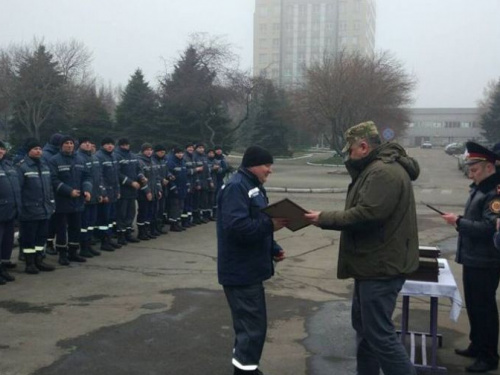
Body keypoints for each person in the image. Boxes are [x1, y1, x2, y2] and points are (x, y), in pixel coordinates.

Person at [304, 121, 419, 375]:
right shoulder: (378, 169)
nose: (349, 154)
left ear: (364, 146)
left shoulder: (382, 172)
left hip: (380, 267)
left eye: (351, 149)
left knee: (380, 336)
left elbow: (368, 214)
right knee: (367, 332)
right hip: (374, 265)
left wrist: (323, 217)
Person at [217, 145, 287, 375]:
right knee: (252, 328)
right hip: (240, 271)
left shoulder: (252, 186)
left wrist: (273, 248)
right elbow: (236, 227)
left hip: (250, 268)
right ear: (253, 165)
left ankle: (247, 368)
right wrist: (271, 225)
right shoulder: (237, 187)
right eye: (267, 165)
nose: (270, 170)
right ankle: (245, 371)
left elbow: (257, 220)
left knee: (251, 327)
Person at [442, 141, 500, 373]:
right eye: (469, 169)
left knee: (485, 308)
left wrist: (459, 222)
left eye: (474, 169)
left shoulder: (494, 192)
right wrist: (460, 222)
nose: (471, 174)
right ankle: (477, 345)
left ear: (488, 167)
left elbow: (489, 228)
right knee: (474, 306)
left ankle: (489, 356)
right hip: (473, 257)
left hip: (486, 260)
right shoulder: (479, 188)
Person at [48, 135, 92, 265]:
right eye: (66, 143)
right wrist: (69, 191)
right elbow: (54, 180)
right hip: (62, 201)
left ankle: (73, 252)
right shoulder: (54, 160)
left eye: (71, 143)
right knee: (61, 229)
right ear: (61, 145)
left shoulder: (79, 159)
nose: (69, 145)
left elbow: (87, 176)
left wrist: (87, 189)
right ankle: (62, 253)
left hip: (78, 201)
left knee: (76, 228)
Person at [16, 138, 55, 274]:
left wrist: (51, 203)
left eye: (39, 149)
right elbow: (18, 190)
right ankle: (30, 263)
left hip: (44, 209)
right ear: (29, 151)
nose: (38, 151)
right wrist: (21, 208)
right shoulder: (22, 167)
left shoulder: (44, 166)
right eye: (35, 149)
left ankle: (39, 260)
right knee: (29, 239)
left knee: (41, 237)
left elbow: (49, 187)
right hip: (29, 210)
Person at [114, 138, 144, 244]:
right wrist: (130, 182)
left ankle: (128, 233)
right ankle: (120, 235)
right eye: (123, 145)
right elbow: (118, 173)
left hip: (133, 191)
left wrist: (141, 177)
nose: (126, 146)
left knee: (131, 213)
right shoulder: (116, 156)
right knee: (122, 213)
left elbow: (138, 169)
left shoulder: (133, 156)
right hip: (123, 190)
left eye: (127, 144)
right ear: (120, 145)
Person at [0, 140, 21, 284]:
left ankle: (2, 267)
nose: (0, 152)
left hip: (10, 210)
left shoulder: (9, 166)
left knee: (7, 242)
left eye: (2, 149)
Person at [95, 137, 121, 251]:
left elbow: (116, 176)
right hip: (106, 192)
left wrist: (118, 190)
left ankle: (109, 239)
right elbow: (99, 177)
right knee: (104, 218)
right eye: (107, 144)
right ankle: (104, 241)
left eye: (111, 144)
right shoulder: (99, 156)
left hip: (114, 192)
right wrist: (103, 193)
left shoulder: (114, 156)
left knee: (111, 218)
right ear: (102, 145)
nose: (110, 146)